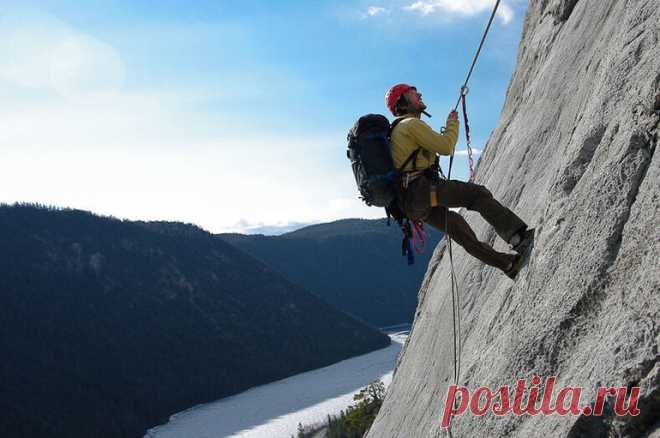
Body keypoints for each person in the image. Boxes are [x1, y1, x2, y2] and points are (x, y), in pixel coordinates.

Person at [385, 83, 533, 279]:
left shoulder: (396, 131)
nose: (419, 94)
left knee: (459, 230)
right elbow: (446, 146)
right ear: (402, 102)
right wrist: (453, 124)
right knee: (476, 195)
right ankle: (518, 237)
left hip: (411, 203)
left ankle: (508, 264)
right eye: (413, 93)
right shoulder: (409, 125)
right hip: (421, 190)